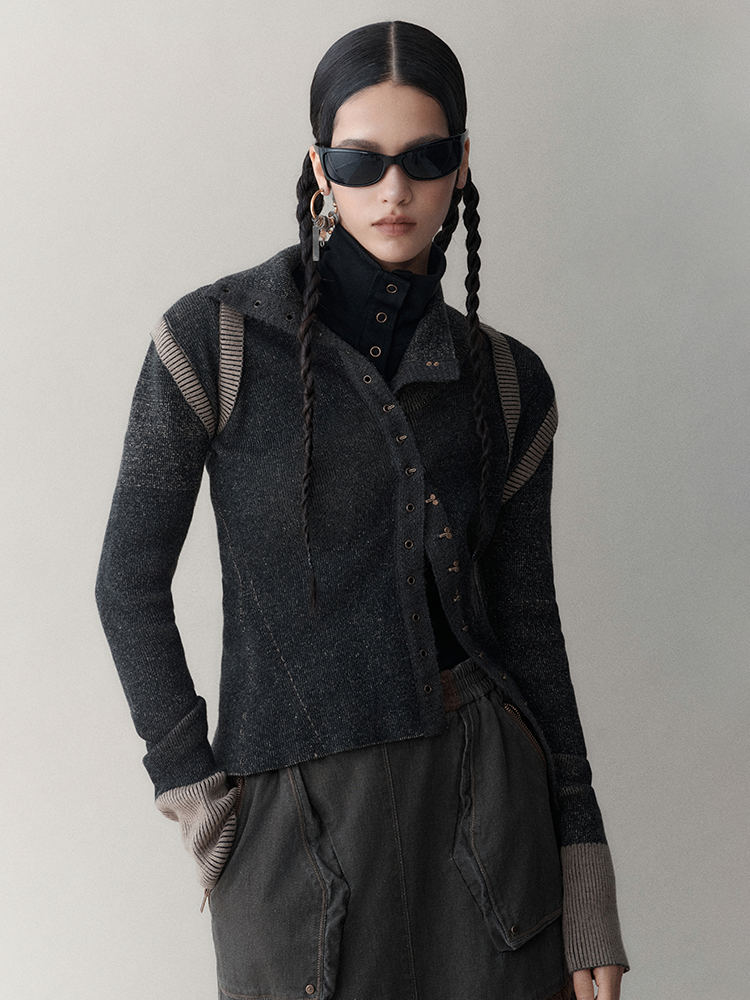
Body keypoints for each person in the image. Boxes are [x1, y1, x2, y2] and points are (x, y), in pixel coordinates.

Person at [96, 20, 628, 1000]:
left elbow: (529, 626)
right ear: (319, 168)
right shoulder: (214, 340)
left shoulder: (508, 382)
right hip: (293, 834)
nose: (394, 190)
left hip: (489, 821)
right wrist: (196, 793)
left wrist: (584, 860)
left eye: (424, 158)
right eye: (361, 160)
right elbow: (127, 583)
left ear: (461, 165)